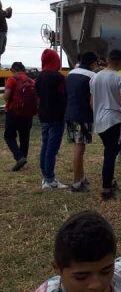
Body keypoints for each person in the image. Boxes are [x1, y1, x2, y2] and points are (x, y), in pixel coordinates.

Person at [90, 49, 121, 201]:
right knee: (110, 154)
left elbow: (92, 102)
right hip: (113, 120)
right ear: (120, 61)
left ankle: (110, 180)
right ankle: (106, 187)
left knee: (110, 152)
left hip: (100, 120)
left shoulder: (95, 78)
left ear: (108, 60)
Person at [64, 52, 98, 193]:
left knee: (79, 148)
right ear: (93, 63)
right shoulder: (92, 77)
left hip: (70, 113)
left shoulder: (71, 73)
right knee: (79, 149)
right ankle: (77, 183)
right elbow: (92, 101)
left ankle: (81, 177)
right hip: (83, 116)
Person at [35, 49, 68, 189]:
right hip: (57, 116)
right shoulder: (58, 77)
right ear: (55, 60)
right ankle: (50, 179)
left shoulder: (39, 77)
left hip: (43, 115)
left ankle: (45, 176)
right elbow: (63, 96)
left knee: (45, 145)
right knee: (52, 148)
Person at [4, 62, 36, 172]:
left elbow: (6, 97)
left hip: (14, 112)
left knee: (9, 136)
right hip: (28, 114)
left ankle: (19, 157)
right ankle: (22, 163)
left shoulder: (12, 79)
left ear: (13, 70)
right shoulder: (31, 81)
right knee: (24, 137)